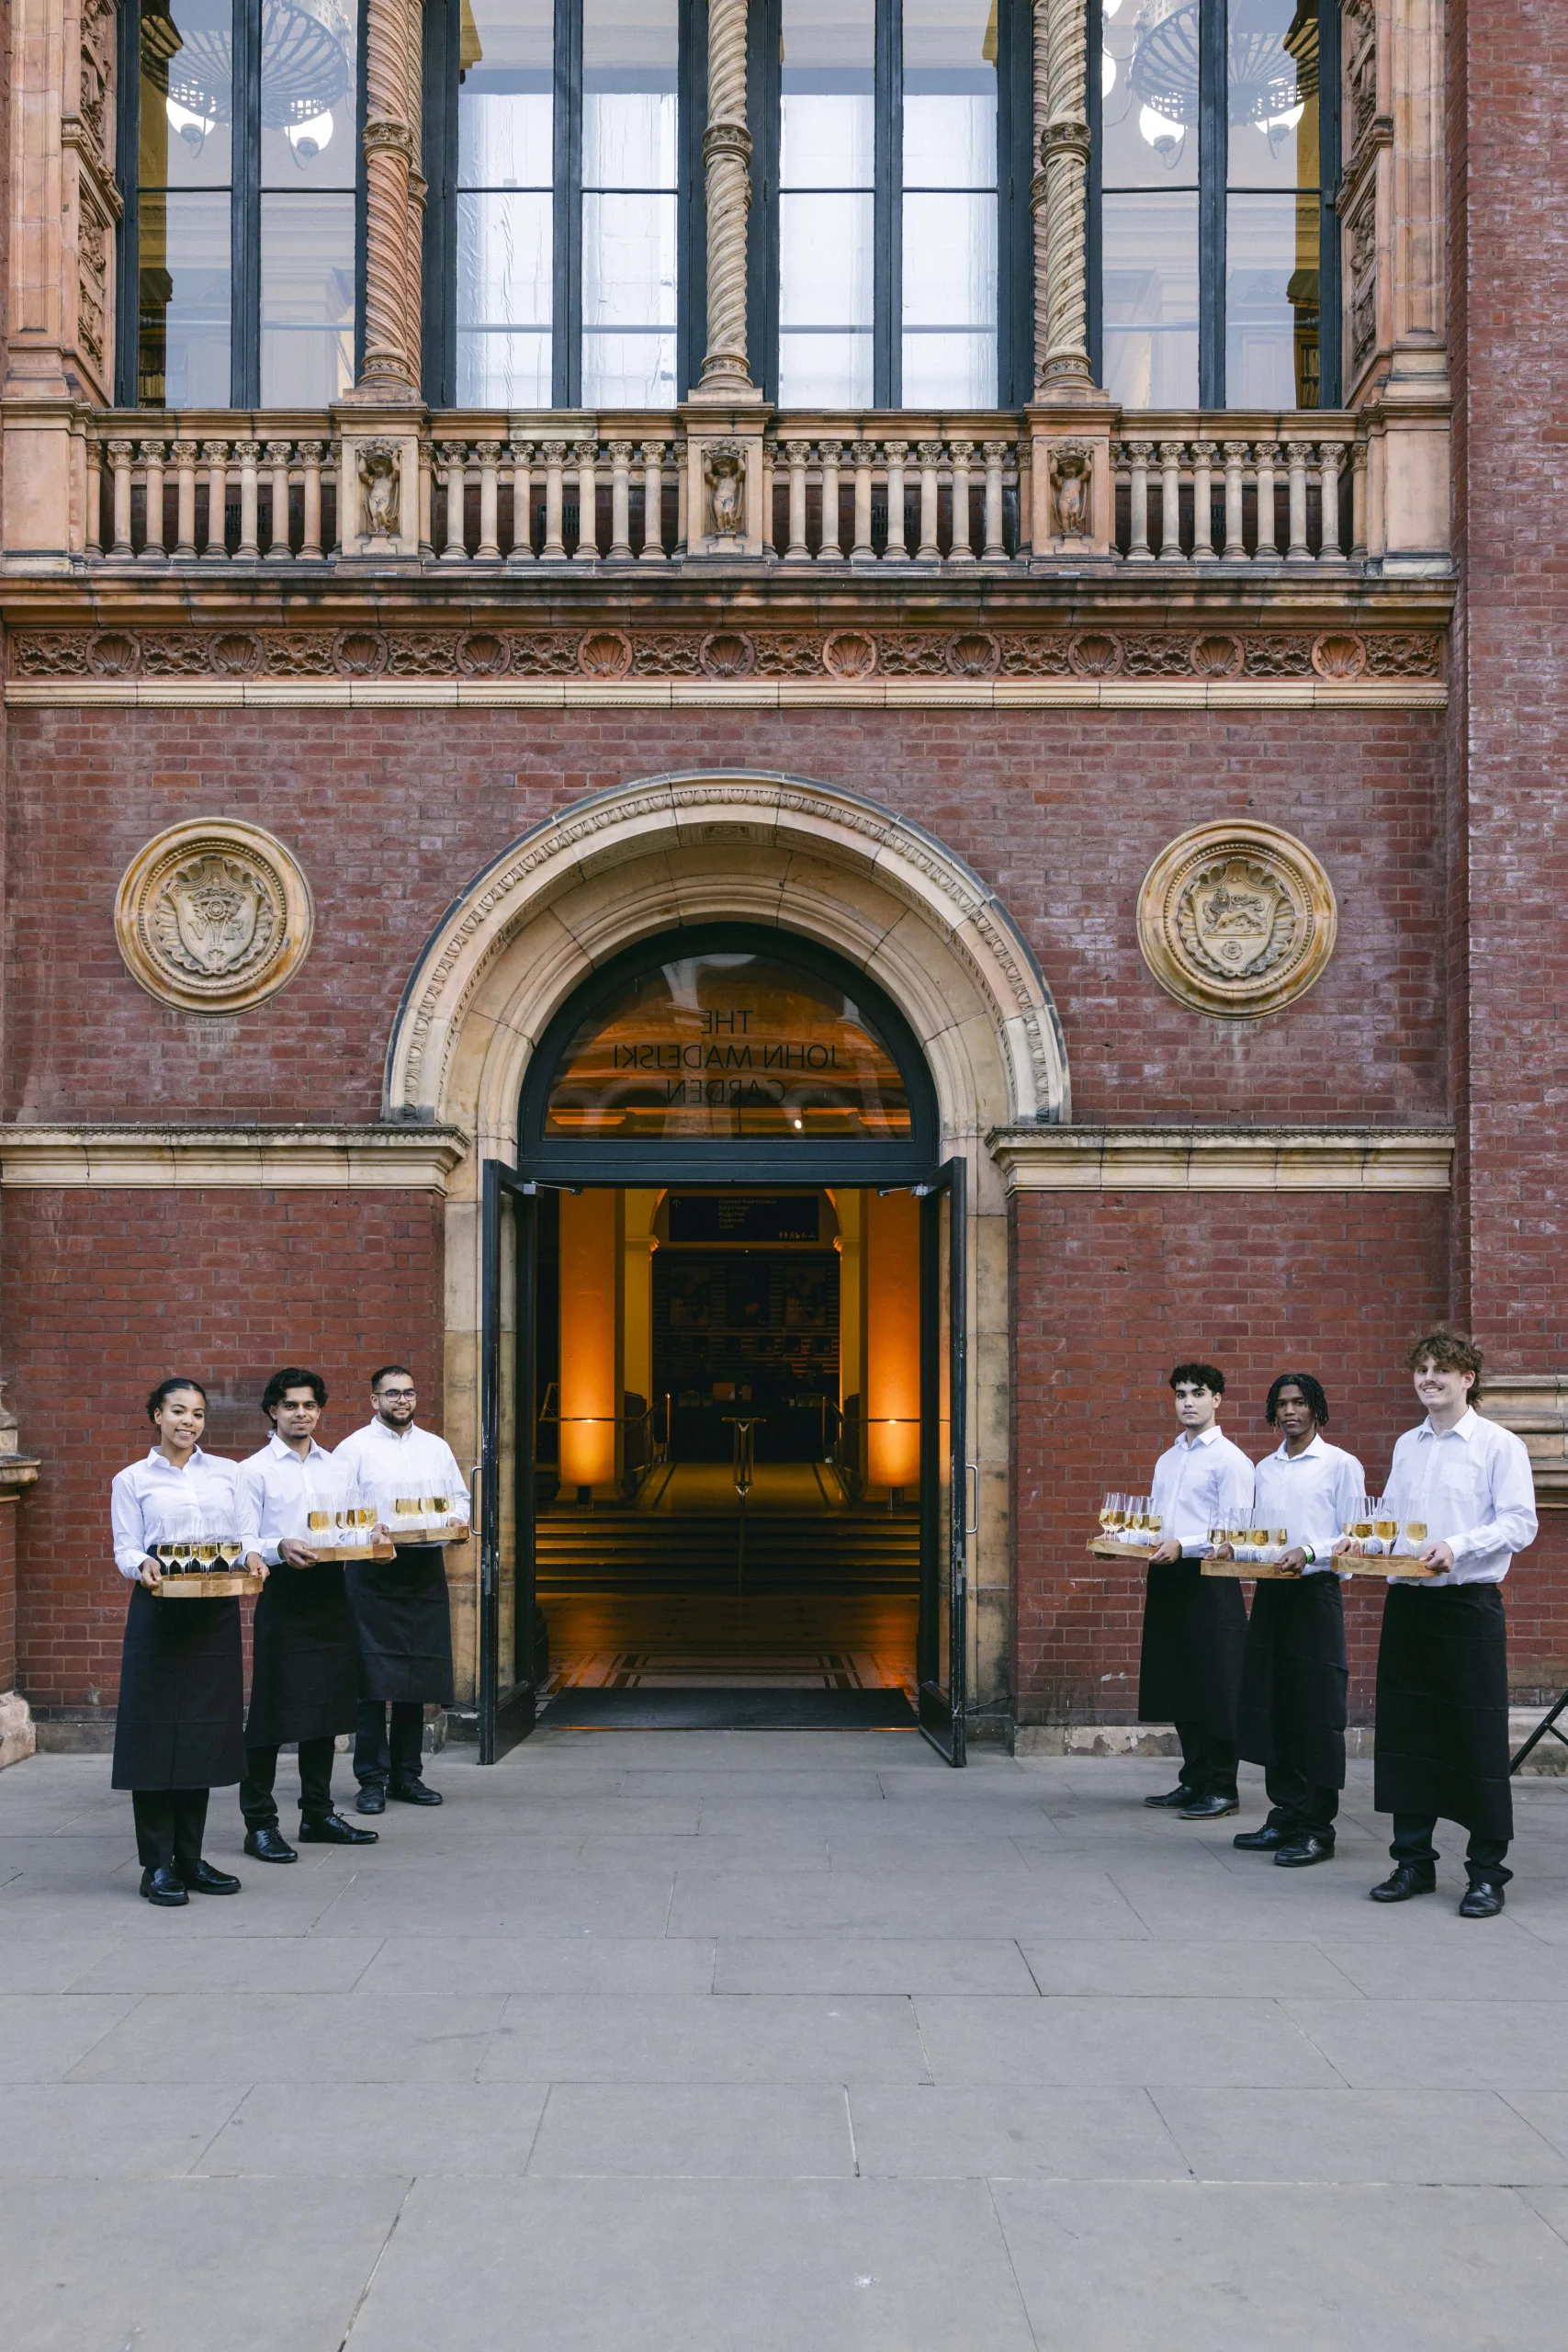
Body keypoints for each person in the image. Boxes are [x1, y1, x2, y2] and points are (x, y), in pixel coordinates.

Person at [1343, 1329, 1537, 1918]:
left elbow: (1520, 1523)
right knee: (1407, 1735)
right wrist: (1366, 1539)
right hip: (1410, 1607)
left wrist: (1459, 1544)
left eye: (1441, 1370)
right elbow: (1397, 1520)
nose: (1429, 1378)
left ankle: (1485, 1874)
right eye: (1421, 1369)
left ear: (1467, 1379)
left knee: (1474, 1737)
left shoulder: (1500, 1446)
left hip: (1467, 1607)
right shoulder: (1409, 1445)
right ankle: (1412, 1864)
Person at [109, 1378, 264, 1907]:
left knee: (200, 1735)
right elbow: (126, 1546)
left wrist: (255, 1557)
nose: (188, 1422)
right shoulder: (131, 1479)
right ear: (156, 1414)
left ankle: (191, 1859)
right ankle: (156, 1865)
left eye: (197, 1414)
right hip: (158, 1613)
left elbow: (246, 1535)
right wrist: (142, 1563)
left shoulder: (229, 1473)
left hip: (213, 1614)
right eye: (178, 1411)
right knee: (154, 1737)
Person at [236, 1369, 380, 1861]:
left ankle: (317, 1813)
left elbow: (354, 1524)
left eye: (310, 1405)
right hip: (284, 1593)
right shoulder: (252, 1471)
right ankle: (259, 1824)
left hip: (333, 1591)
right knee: (272, 1714)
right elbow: (241, 1541)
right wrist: (278, 1546)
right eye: (291, 1405)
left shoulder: (337, 1467)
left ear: (320, 1410)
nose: (302, 1413)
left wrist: (375, 1538)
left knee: (328, 1708)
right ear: (273, 1411)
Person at [1229, 1375, 1362, 1867]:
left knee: (1316, 1709)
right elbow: (1258, 1535)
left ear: (1317, 1410)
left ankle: (1316, 1826)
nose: (1290, 1411)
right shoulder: (1265, 1469)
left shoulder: (1340, 1465)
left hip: (1316, 1595)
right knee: (1273, 1703)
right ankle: (1284, 1813)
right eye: (1282, 1404)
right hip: (1271, 1594)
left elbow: (1354, 1537)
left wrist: (1309, 1553)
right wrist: (1234, 1547)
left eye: (1300, 1403)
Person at [333, 1364, 468, 1814]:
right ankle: (371, 1779)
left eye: (408, 1393)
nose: (402, 1401)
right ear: (375, 1400)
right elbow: (337, 1512)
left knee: (415, 1677)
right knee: (371, 1680)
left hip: (423, 1568)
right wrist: (366, 1535)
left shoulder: (436, 1447)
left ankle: (407, 1776)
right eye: (392, 1394)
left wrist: (455, 1523)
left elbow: (460, 1501)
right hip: (371, 1573)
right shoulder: (352, 1450)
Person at [1139, 1362, 1256, 1819]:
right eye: (1181, 1394)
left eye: (1197, 1393)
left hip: (1210, 1579)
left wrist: (1181, 1544)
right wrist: (1140, 1540)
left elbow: (1235, 1533)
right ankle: (1193, 1779)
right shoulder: (1168, 1459)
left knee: (1217, 1682)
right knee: (1179, 1678)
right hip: (1168, 1576)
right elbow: (1155, 1519)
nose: (1188, 1402)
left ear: (1217, 1400)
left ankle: (1223, 1786)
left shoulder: (1231, 1460)